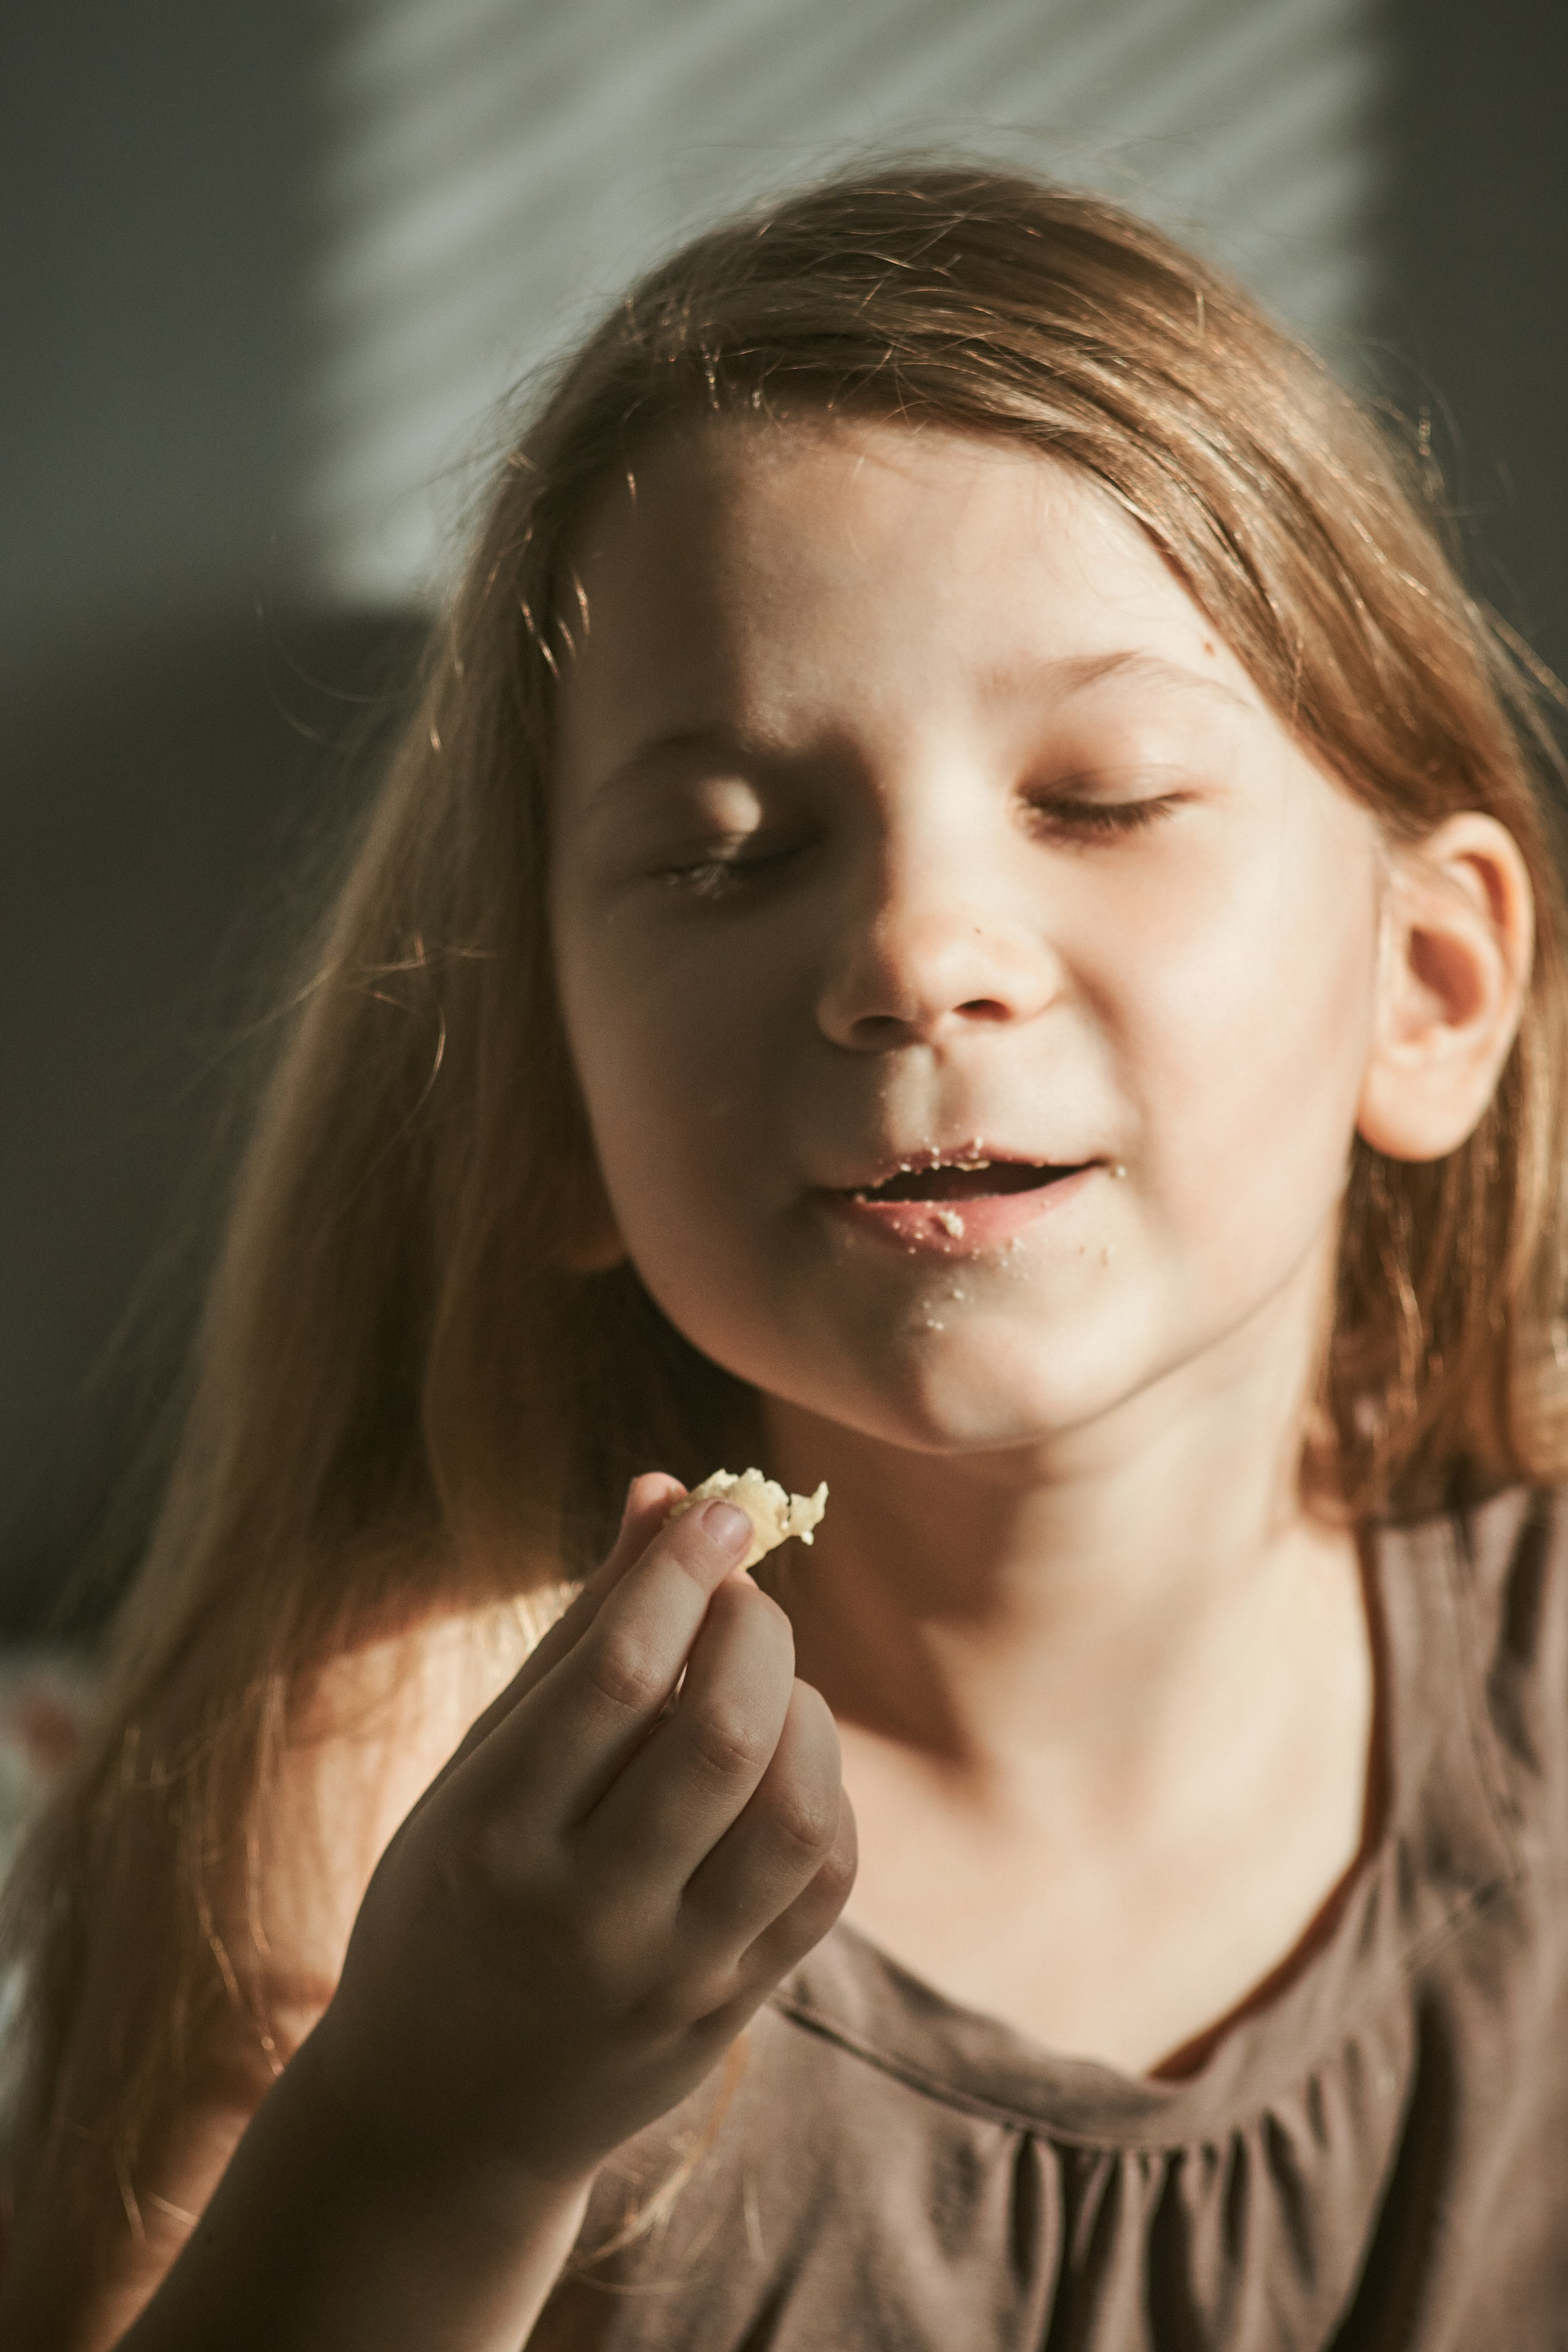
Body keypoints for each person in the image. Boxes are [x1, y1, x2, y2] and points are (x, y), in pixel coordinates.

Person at [2, 162, 1566, 2351]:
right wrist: (441, 2132)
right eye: (733, 853)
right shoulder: (382, 1812)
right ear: (546, 1107)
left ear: (1430, 983)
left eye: (1101, 798)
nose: (917, 955)